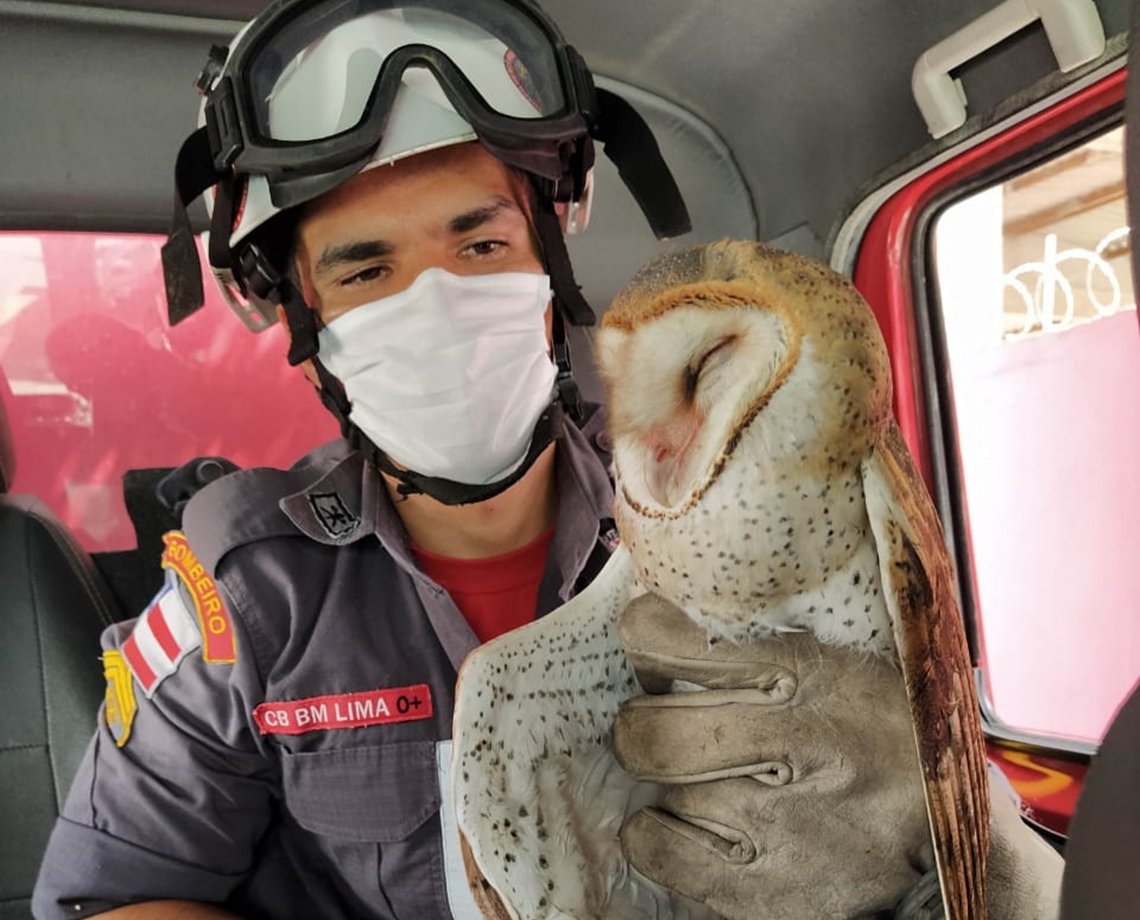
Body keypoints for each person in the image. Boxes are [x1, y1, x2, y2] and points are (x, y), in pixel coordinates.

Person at [32, 1, 1063, 918]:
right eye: (367, 269)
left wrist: (933, 823)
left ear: (550, 266)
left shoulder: (729, 498)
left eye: (479, 248)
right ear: (306, 326)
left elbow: (955, 814)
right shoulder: (246, 586)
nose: (432, 302)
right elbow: (114, 892)